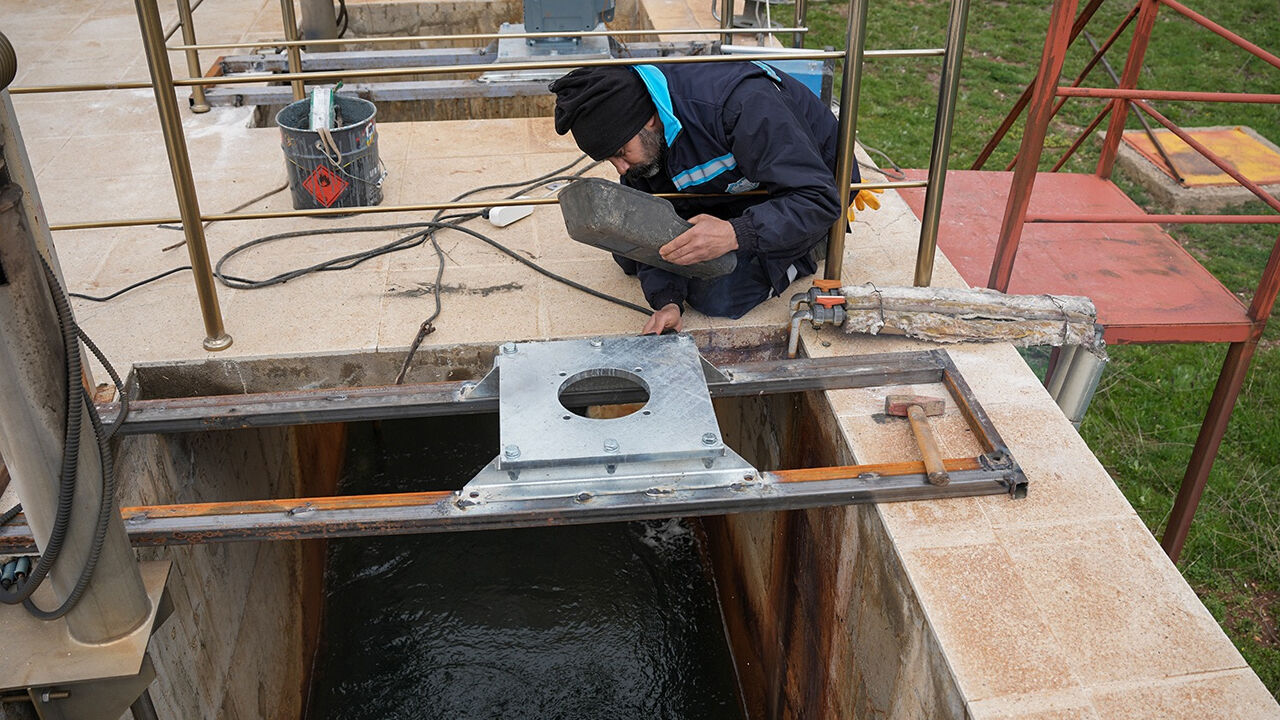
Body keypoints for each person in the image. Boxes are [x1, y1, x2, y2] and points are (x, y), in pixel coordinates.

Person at [549, 61, 865, 335]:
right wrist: (668, 302)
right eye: (610, 159)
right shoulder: (643, 137)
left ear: (648, 119)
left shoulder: (741, 105)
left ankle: (808, 249)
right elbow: (648, 230)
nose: (621, 167)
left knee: (717, 293)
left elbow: (818, 198)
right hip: (736, 186)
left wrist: (736, 233)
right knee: (628, 255)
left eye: (620, 153)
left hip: (813, 191)